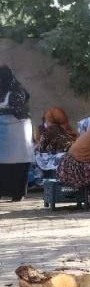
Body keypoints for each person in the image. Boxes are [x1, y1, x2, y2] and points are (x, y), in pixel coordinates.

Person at [0, 66, 34, 202]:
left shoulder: (17, 91)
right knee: (2, 161)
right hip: (3, 129)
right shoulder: (1, 90)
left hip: (19, 129)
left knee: (18, 162)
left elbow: (17, 107)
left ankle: (18, 193)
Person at [33, 107, 78, 182]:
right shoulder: (69, 130)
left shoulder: (51, 131)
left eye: (46, 120)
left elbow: (42, 149)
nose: (46, 122)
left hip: (57, 167)